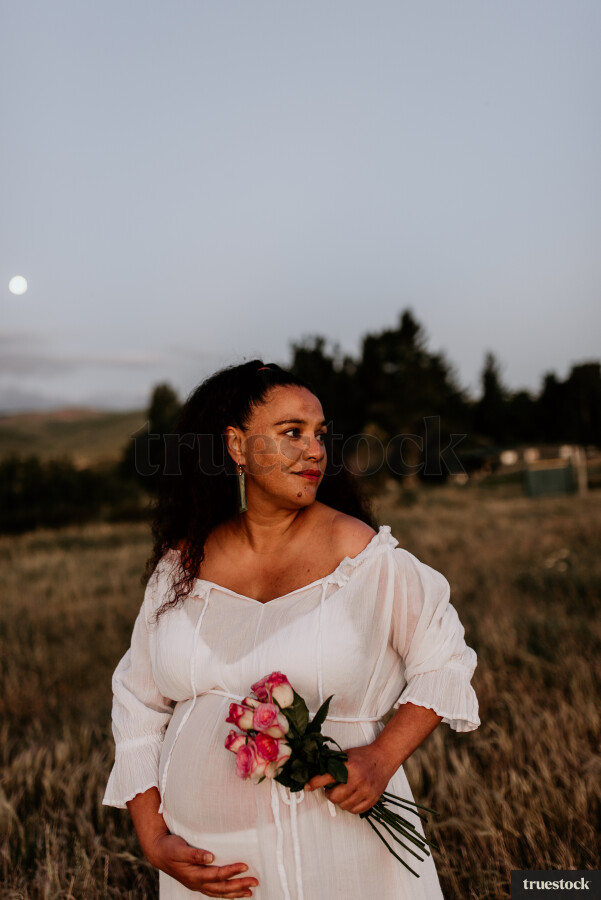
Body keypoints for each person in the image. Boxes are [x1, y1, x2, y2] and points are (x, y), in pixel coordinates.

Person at [103, 360, 480, 899]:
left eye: (321, 435)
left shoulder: (359, 556)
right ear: (237, 446)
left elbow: (444, 657)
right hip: (213, 866)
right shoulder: (180, 567)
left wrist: (380, 758)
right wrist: (153, 836)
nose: (315, 451)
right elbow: (137, 704)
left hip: (338, 851)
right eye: (292, 433)